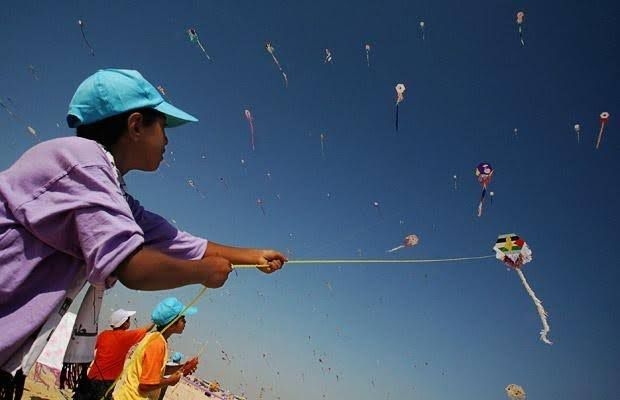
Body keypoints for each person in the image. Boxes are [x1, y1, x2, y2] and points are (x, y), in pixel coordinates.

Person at [0, 68, 287, 397]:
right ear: (136, 125)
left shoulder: (112, 190)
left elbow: (176, 241)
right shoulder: (83, 164)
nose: (166, 140)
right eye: (163, 128)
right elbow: (131, 266)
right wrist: (203, 272)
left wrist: (252, 256)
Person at [113, 297, 200, 400]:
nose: (185, 322)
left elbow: (155, 371)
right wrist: (169, 381)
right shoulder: (157, 343)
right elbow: (145, 385)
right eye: (182, 319)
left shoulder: (154, 337)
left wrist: (181, 368)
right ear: (172, 323)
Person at [72, 309, 154, 400]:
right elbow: (146, 329)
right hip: (106, 382)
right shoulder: (126, 337)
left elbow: (89, 349)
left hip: (91, 377)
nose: (129, 322)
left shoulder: (104, 334)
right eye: (128, 320)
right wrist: (156, 319)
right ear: (124, 323)